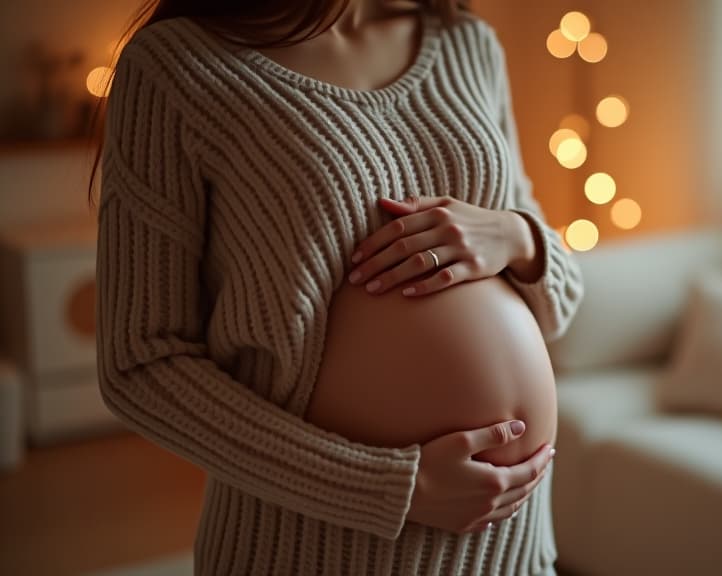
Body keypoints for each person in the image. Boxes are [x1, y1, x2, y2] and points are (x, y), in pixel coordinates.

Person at [91, 0, 584, 574]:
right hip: (314, 549)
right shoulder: (176, 66)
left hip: (509, 550)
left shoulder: (467, 42)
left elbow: (561, 300)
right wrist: (388, 487)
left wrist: (517, 236)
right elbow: (139, 364)